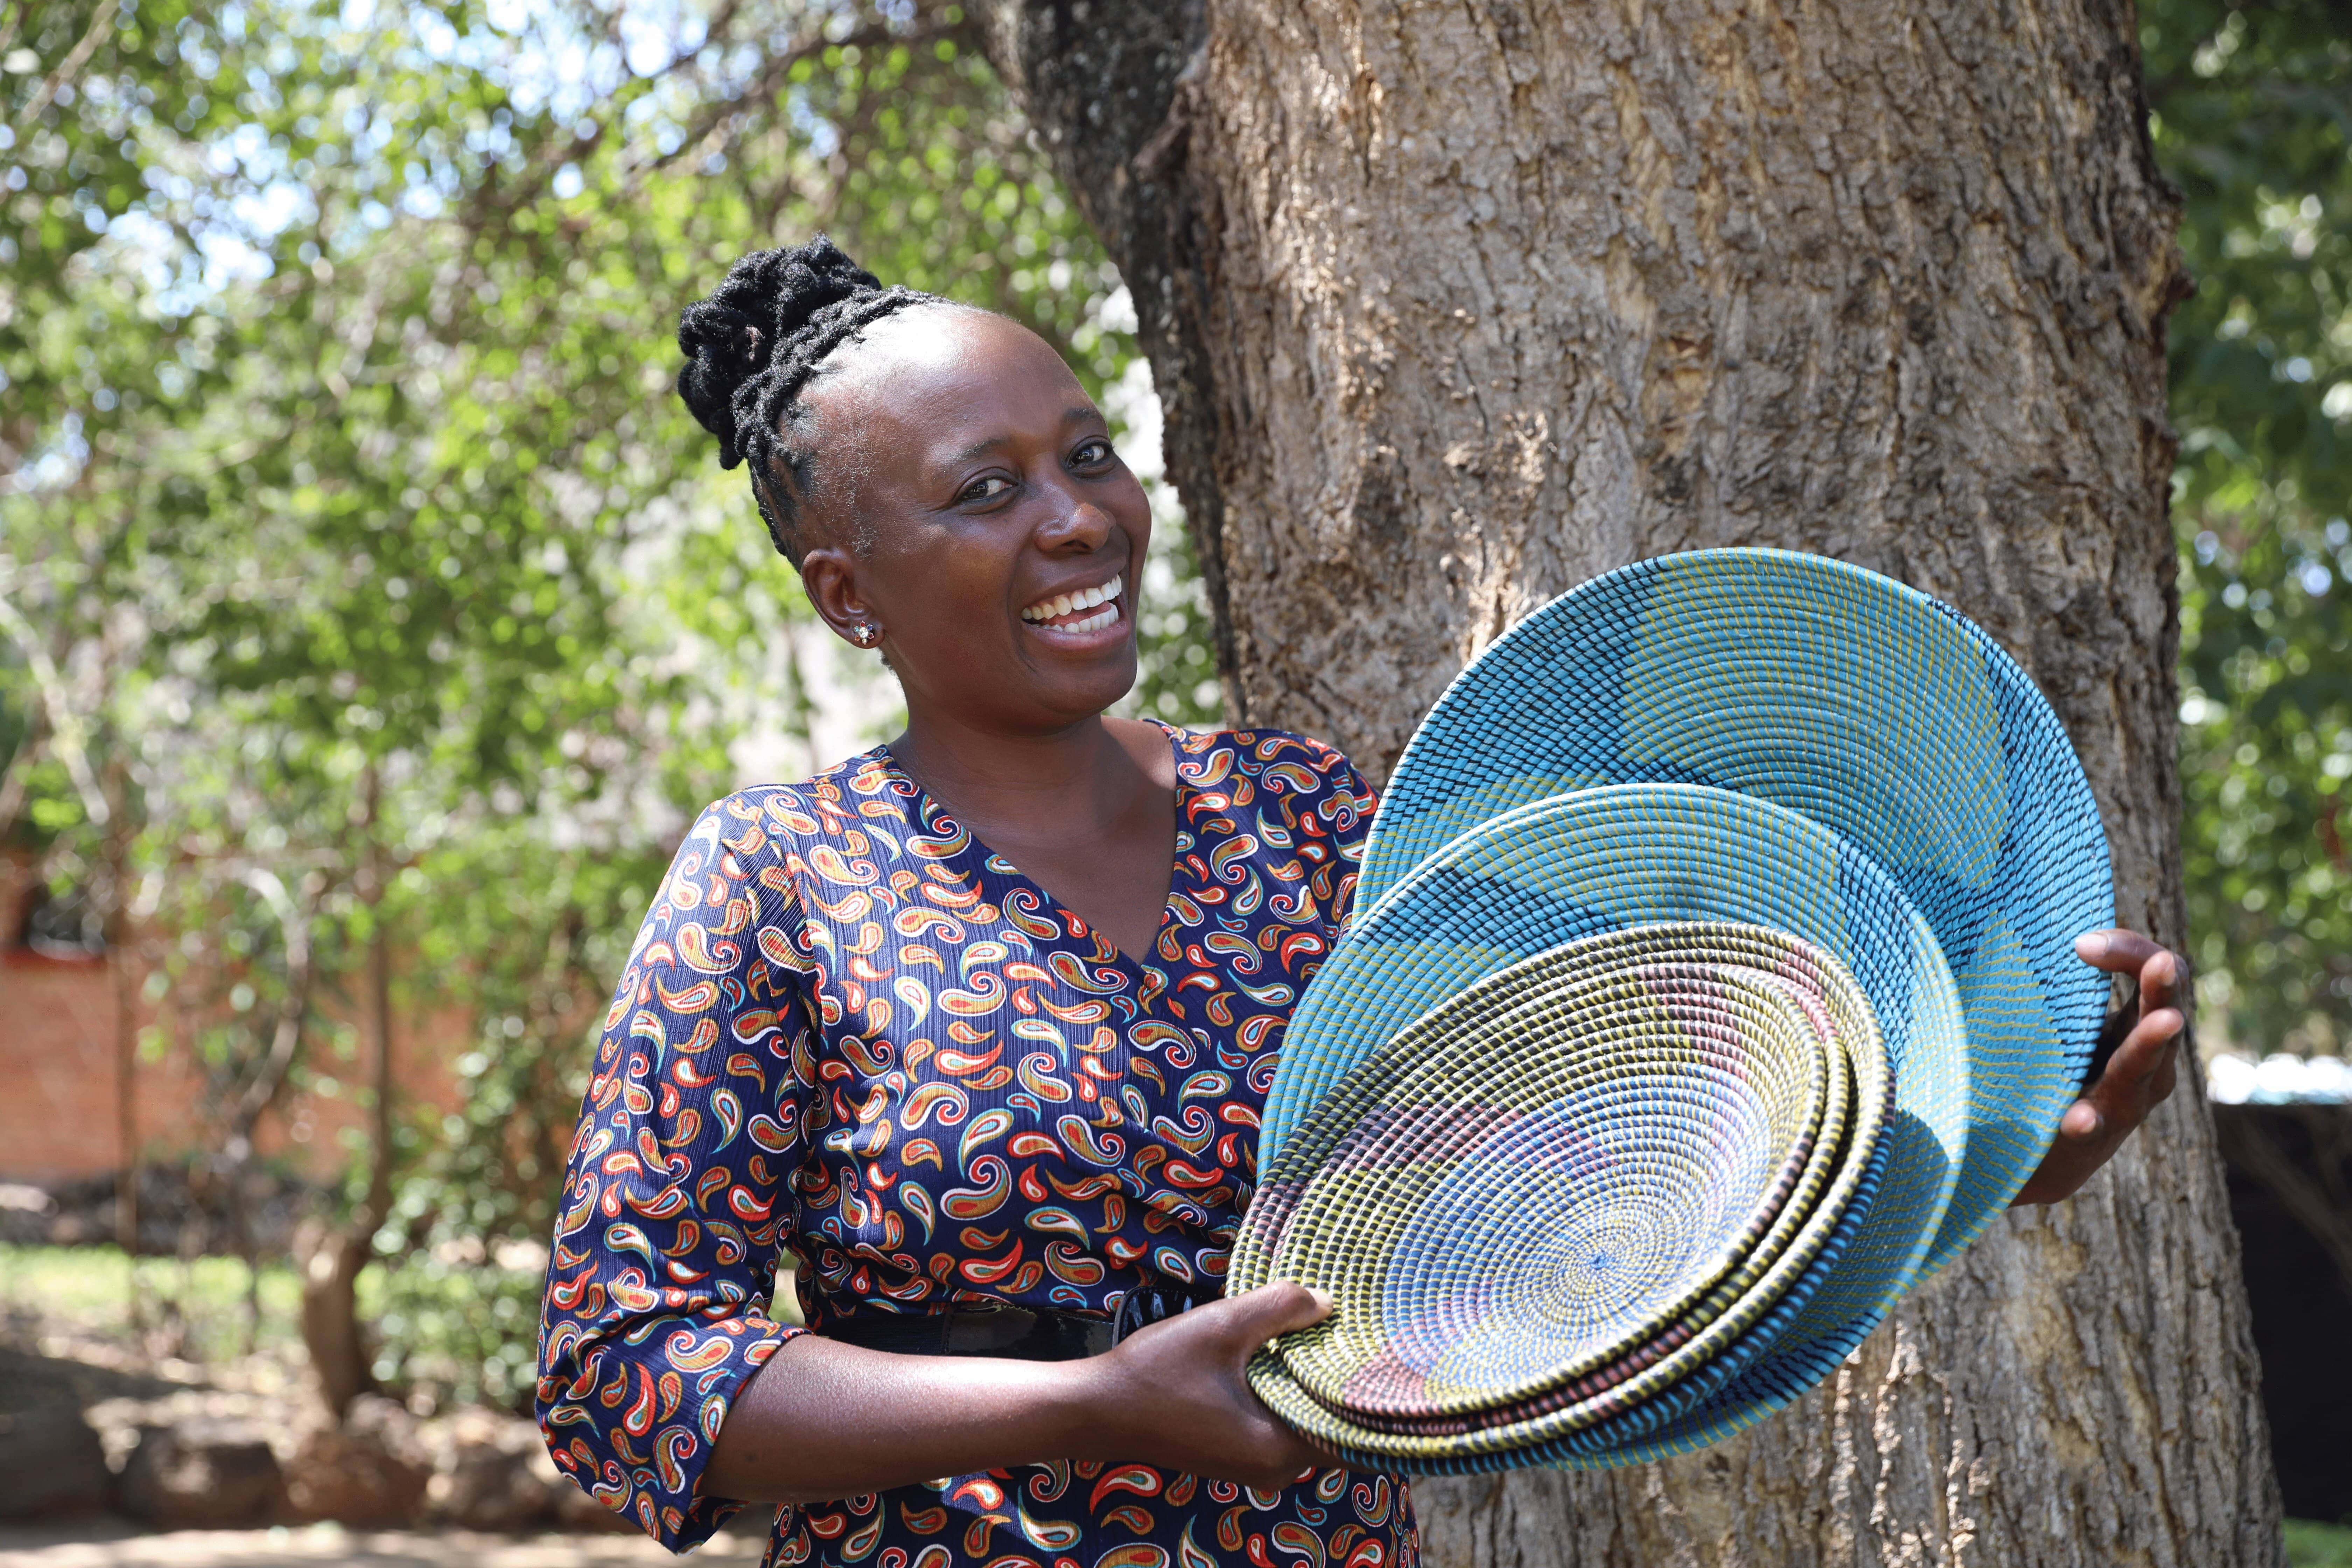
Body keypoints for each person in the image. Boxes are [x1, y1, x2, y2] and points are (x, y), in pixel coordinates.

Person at [534, 237, 2188, 1565]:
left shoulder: (1303, 817)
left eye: (1088, 454)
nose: (1079, 516)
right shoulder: (779, 880)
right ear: (847, 597)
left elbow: (1624, 1145)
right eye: (986, 491)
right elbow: (626, 1364)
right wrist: (1090, 1405)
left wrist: (1978, 1148)